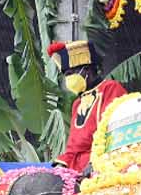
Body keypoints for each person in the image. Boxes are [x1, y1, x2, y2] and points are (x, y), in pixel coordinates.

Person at [49, 40, 127, 174]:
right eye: (66, 75)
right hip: (77, 165)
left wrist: (96, 161)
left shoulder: (111, 88)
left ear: (86, 70)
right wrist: (63, 164)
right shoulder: (77, 103)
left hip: (104, 160)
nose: (68, 80)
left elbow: (117, 131)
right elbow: (73, 147)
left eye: (70, 74)